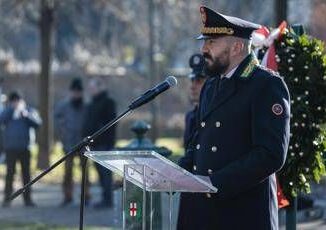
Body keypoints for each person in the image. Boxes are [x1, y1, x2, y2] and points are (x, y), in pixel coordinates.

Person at [178, 6, 290, 230]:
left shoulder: (266, 85)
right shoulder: (211, 85)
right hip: (203, 213)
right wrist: (175, 172)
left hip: (243, 213)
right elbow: (199, 141)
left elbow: (270, 154)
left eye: (212, 42)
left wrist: (217, 183)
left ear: (237, 46)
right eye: (205, 42)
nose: (204, 49)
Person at [178, 54, 208, 228]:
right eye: (192, 80)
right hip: (188, 187)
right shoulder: (191, 115)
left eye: (199, 80)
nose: (193, 86)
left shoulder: (209, 114)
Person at [0, 91, 42, 207]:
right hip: (10, 148)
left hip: (25, 148)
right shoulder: (7, 112)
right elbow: (1, 120)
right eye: (13, 101)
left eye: (17, 101)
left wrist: (26, 115)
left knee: (26, 174)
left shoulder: (29, 110)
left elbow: (38, 123)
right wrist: (10, 110)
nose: (15, 103)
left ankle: (28, 199)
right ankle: (7, 199)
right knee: (10, 174)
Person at [54, 78, 90, 206]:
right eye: (74, 92)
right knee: (68, 172)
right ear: (71, 92)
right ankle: (67, 196)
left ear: (82, 92)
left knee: (85, 171)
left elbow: (91, 123)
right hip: (68, 144)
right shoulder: (63, 106)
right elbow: (57, 120)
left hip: (83, 144)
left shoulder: (86, 105)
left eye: (78, 92)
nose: (76, 94)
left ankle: (86, 196)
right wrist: (63, 133)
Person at [82, 77, 117, 208]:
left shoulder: (108, 102)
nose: (91, 90)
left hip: (104, 144)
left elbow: (110, 125)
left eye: (93, 88)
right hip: (94, 144)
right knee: (101, 174)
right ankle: (105, 198)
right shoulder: (92, 103)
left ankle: (108, 200)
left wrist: (104, 140)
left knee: (106, 174)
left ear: (100, 87)